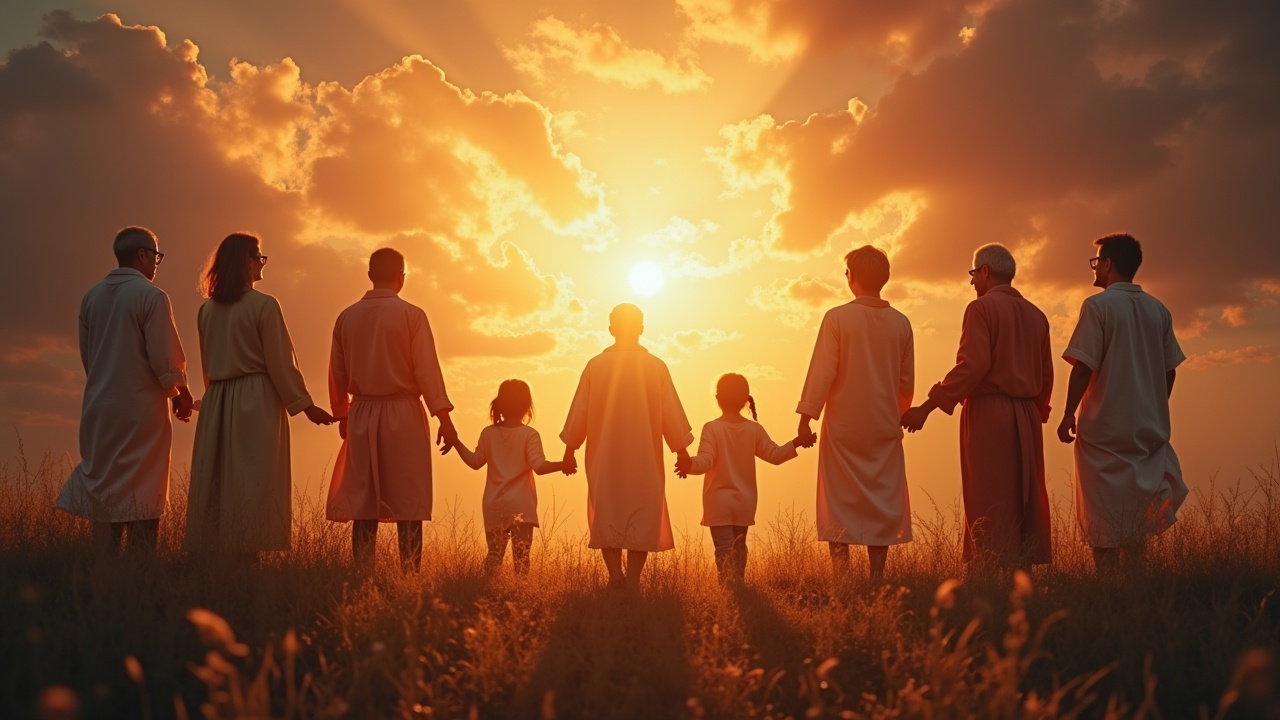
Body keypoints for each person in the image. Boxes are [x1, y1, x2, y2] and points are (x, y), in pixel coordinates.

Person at [901, 243, 1053, 569]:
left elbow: (972, 366)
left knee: (989, 498)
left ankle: (990, 575)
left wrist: (927, 407)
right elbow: (1046, 375)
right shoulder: (1037, 315)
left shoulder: (980, 309)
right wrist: (1036, 412)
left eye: (972, 274)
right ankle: (1021, 575)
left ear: (984, 271)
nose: (971, 283)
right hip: (1026, 416)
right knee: (1024, 499)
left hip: (990, 414)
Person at [186, 233, 334, 554]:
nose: (262, 263)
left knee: (218, 479)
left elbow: (207, 367)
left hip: (217, 402)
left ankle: (217, 554)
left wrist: (210, 400)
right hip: (255, 401)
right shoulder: (264, 305)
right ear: (247, 262)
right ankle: (248, 555)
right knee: (253, 479)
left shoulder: (206, 311)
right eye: (260, 257)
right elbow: (280, 362)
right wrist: (306, 405)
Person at [56, 226, 193, 554]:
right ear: (143, 255)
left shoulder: (91, 297)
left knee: (106, 486)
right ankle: (141, 570)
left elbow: (90, 358)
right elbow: (165, 358)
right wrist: (181, 392)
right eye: (156, 255)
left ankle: (105, 567)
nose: (157, 263)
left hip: (100, 407)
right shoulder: (151, 296)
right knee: (145, 488)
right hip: (141, 409)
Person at [1058, 233, 1187, 574]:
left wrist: (1068, 413)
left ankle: (1107, 589)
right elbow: (1169, 371)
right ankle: (1134, 587)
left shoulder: (1097, 306)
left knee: (1102, 518)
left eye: (1097, 261)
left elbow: (1084, 366)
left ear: (1109, 264)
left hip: (1105, 431)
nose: (1095, 267)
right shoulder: (1158, 309)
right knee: (1136, 517)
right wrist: (1152, 402)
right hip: (1146, 430)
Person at [326, 248, 457, 571]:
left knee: (364, 500)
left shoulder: (346, 317)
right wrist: (444, 417)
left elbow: (337, 373)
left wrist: (343, 413)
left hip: (361, 413)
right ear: (402, 277)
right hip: (404, 413)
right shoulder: (412, 315)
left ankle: (362, 573)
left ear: (370, 275)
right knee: (409, 500)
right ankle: (409, 574)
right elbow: (427, 371)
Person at [796, 245, 914, 583]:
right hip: (884, 424)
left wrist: (806, 418)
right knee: (882, 500)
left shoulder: (837, 318)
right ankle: (877, 578)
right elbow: (905, 382)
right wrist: (899, 415)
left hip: (843, 426)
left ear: (852, 278)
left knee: (838, 499)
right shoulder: (901, 323)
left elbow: (822, 372)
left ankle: (842, 579)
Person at [560, 303, 694, 590]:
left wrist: (570, 449)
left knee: (607, 510)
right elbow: (672, 413)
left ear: (610, 329)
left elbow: (579, 411)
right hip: (644, 456)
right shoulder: (655, 366)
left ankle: (615, 577)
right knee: (643, 511)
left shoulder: (595, 365)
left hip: (604, 456)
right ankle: (632, 580)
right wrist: (681, 451)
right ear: (642, 328)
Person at [675, 373, 814, 583]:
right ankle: (738, 587)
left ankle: (728, 591)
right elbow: (775, 456)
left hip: (718, 502)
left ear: (717, 398)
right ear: (745, 399)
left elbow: (705, 461)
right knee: (739, 547)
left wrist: (688, 464)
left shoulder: (712, 428)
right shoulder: (753, 429)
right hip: (745, 502)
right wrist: (796, 442)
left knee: (723, 550)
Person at [448, 379, 575, 575]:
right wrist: (563, 464)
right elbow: (539, 467)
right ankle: (520, 596)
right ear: (527, 406)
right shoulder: (529, 434)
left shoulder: (488, 434)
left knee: (494, 556)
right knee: (522, 559)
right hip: (521, 506)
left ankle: (486, 593)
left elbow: (474, 462)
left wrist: (455, 441)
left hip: (494, 504)